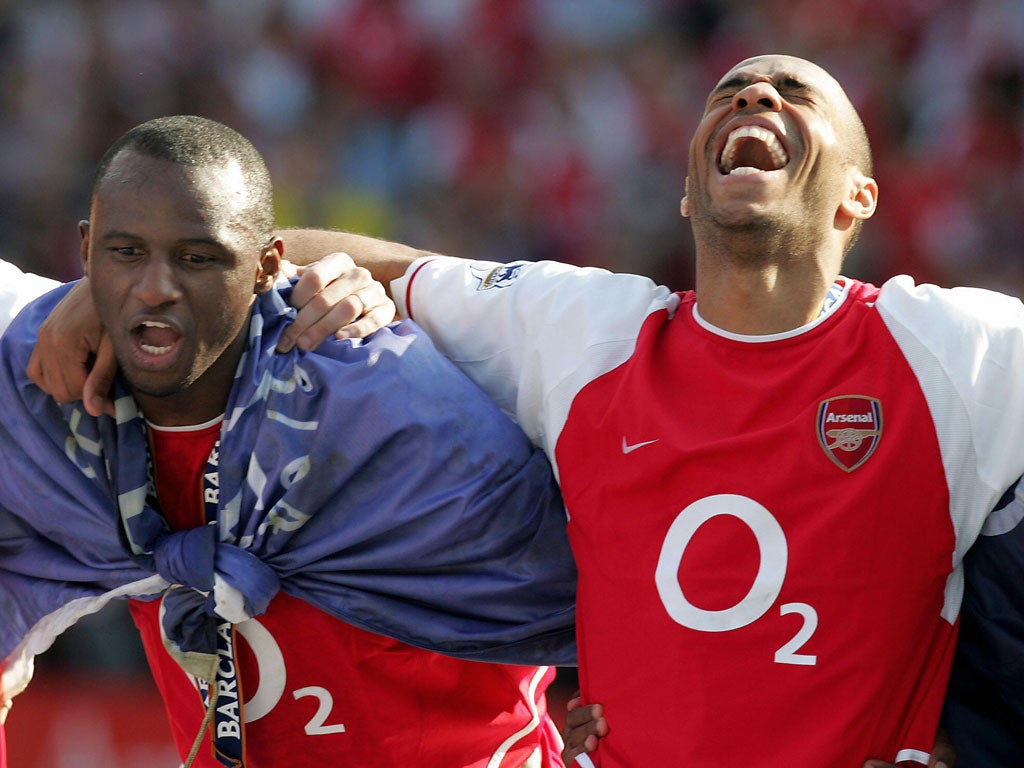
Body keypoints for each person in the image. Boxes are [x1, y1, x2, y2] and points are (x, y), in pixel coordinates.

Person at [266, 54, 1024, 766]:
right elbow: (261, 252)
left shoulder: (951, 348)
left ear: (859, 196)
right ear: (690, 191)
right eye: (727, 95)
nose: (754, 96)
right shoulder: (591, 332)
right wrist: (349, 282)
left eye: (795, 94)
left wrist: (984, 732)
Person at [0, 116, 578, 767]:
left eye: (197, 257)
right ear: (85, 250)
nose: (156, 288)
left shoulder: (390, 397)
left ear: (266, 266)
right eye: (125, 251)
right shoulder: (52, 399)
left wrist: (620, 721)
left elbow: (599, 587)